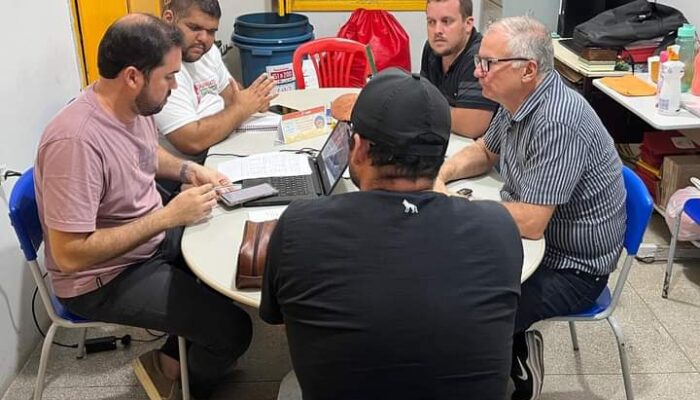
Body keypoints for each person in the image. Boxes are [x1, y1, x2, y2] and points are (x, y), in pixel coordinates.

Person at [260, 68, 524, 400]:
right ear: (441, 154)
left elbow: (283, 320)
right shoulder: (497, 228)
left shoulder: (299, 225)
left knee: (289, 386)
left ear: (357, 148)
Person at [35, 14, 252, 400]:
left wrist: (190, 170)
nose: (173, 86)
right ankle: (179, 382)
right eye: (168, 77)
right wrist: (167, 217)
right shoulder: (75, 142)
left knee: (231, 253)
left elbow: (148, 156)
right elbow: (69, 255)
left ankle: (169, 361)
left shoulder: (129, 107)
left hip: (147, 239)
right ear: (133, 76)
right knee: (234, 331)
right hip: (103, 278)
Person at [435, 17, 626, 400]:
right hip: (536, 244)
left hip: (572, 268)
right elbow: (485, 151)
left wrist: (455, 208)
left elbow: (533, 222)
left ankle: (513, 371)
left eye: (488, 63)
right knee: (447, 275)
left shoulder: (557, 119)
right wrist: (443, 174)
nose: (477, 71)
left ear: (528, 70)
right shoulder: (516, 99)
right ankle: (508, 347)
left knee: (467, 310)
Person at [155, 0, 277, 163]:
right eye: (194, 28)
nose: (204, 38)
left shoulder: (207, 51)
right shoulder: (158, 66)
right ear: (168, 19)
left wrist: (254, 100)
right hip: (189, 168)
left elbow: (232, 94)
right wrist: (242, 108)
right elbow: (191, 141)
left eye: (211, 31)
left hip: (222, 147)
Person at [421, 0, 498, 138]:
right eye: (431, 22)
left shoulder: (480, 55)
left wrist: (423, 111)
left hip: (481, 152)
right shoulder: (432, 49)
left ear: (468, 24)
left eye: (446, 21)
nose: (437, 30)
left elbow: (471, 125)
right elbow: (421, 96)